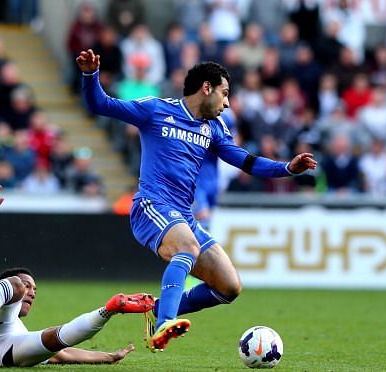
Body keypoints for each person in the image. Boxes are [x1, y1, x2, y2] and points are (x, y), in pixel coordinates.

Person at [76, 49, 317, 352]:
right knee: (187, 247)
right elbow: (100, 104)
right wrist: (90, 75)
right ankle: (164, 323)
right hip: (152, 206)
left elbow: (245, 161)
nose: (227, 103)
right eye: (224, 93)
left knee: (229, 286)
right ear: (207, 87)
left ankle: (155, 311)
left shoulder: (213, 128)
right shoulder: (155, 110)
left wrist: (286, 168)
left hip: (183, 215)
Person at [0, 180, 155, 367]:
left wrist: (109, 357)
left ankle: (108, 309)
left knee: (53, 338)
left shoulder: (18, 329)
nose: (31, 292)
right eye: (28, 286)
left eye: (34, 289)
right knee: (19, 294)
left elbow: (62, 353)